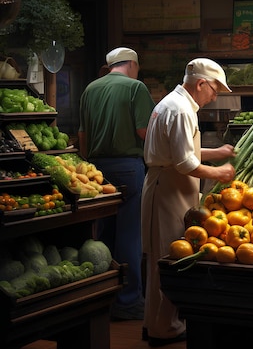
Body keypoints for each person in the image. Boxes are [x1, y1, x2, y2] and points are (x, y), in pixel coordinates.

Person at [141, 58, 236, 347]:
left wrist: (216, 151)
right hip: (169, 189)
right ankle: (164, 329)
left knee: (161, 257)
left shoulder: (173, 103)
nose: (215, 95)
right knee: (170, 259)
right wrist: (220, 172)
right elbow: (184, 164)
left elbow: (183, 152)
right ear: (201, 83)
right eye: (215, 89)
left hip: (167, 185)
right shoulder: (182, 110)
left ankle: (155, 323)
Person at [78, 47, 156, 320]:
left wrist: (91, 166)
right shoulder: (136, 88)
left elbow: (83, 137)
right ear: (132, 65)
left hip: (96, 171)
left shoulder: (90, 90)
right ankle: (129, 302)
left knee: (103, 236)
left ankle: (102, 298)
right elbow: (144, 131)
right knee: (130, 236)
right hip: (128, 168)